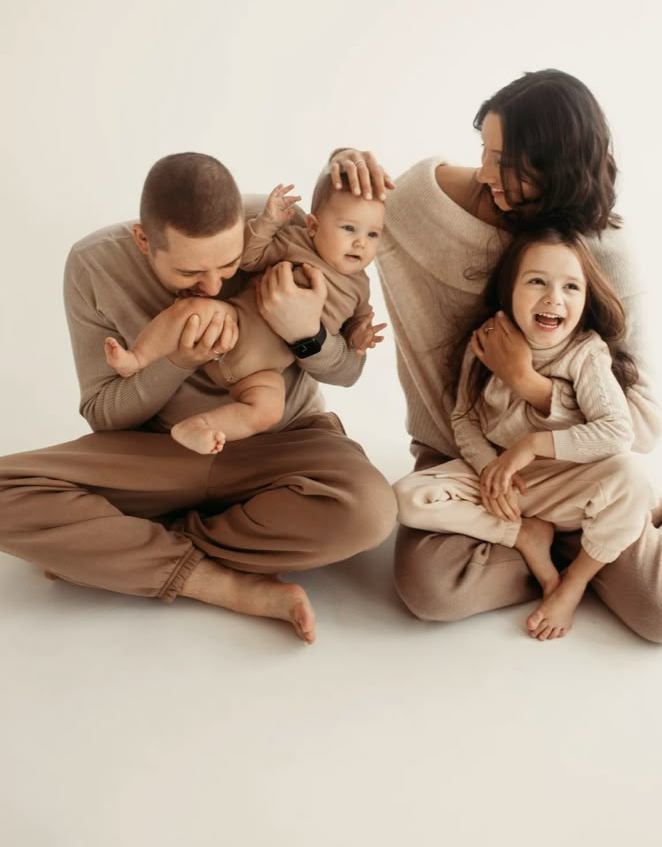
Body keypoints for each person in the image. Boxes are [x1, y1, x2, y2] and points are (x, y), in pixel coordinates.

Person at [330, 68, 662, 644]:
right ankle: (552, 544)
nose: (485, 173)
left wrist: (528, 383)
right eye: (484, 150)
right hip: (470, 465)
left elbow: (640, 427)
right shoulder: (422, 203)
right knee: (430, 588)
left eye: (506, 162)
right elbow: (326, 227)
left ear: (558, 167)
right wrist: (342, 167)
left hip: (580, 472)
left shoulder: (604, 254)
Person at [0, 153, 397, 644]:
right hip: (159, 452)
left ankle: (118, 549)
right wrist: (177, 362)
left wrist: (307, 334)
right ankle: (224, 586)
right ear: (143, 240)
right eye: (189, 272)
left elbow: (349, 370)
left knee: (370, 512)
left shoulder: (277, 222)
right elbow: (103, 414)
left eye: (229, 264)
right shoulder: (94, 264)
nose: (213, 286)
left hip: (281, 443)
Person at [395, 227, 662, 640]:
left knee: (632, 479)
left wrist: (533, 444)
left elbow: (617, 433)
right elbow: (464, 419)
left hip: (569, 482)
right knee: (407, 497)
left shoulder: (586, 354)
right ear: (509, 290)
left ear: (586, 298)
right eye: (537, 281)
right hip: (514, 486)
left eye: (570, 286)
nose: (553, 298)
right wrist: (491, 471)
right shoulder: (487, 342)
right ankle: (524, 535)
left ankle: (575, 580)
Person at [105, 173, 386, 455]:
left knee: (268, 410)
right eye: (349, 229)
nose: (361, 243)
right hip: (232, 323)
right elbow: (250, 258)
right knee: (192, 309)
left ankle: (198, 427)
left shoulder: (361, 287)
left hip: (264, 372)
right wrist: (269, 222)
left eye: (372, 234)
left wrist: (359, 336)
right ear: (313, 226)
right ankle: (137, 357)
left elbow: (356, 325)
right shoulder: (296, 242)